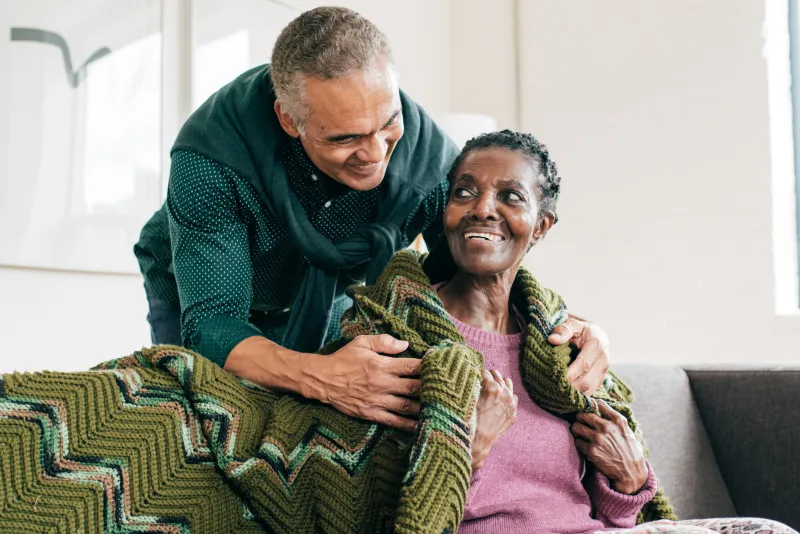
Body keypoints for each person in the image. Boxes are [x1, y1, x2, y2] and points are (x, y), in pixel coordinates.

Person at [133, 7, 611, 432]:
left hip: (327, 291)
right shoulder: (210, 158)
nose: (376, 153)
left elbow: (474, 283)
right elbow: (214, 323)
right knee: (204, 422)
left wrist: (575, 329)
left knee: (315, 422)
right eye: (345, 138)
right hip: (202, 295)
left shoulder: (430, 162)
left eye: (388, 123)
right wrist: (321, 376)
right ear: (288, 119)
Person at [417, 129, 795, 533]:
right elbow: (395, 509)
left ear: (541, 227)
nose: (482, 209)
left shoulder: (561, 346)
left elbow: (620, 519)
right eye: (464, 192)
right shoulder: (402, 336)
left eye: (510, 196)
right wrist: (467, 449)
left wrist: (629, 481)